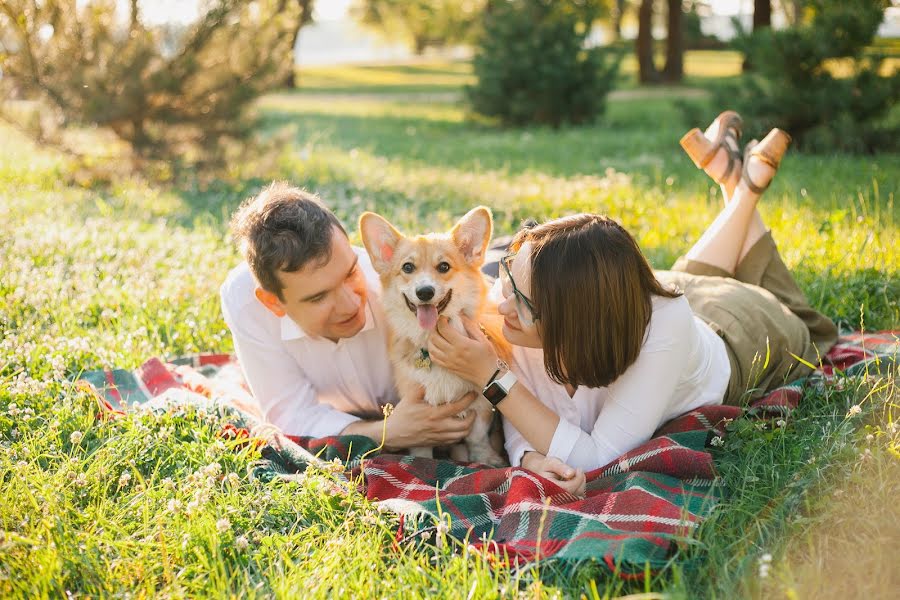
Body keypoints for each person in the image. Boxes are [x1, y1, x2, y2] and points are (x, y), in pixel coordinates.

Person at [427, 115, 838, 496]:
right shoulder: (535, 308)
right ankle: (740, 185)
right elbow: (526, 407)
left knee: (794, 316)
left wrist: (489, 375)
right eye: (507, 277)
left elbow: (595, 456)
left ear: (574, 319)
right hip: (660, 289)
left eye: (520, 297)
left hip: (737, 328)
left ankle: (744, 188)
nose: (502, 306)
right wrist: (530, 457)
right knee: (688, 274)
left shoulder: (661, 330)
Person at [221, 182, 478, 448]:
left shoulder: (395, 282)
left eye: (350, 274)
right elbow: (290, 416)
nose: (350, 305)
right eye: (319, 297)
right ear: (274, 303)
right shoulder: (244, 303)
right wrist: (385, 433)